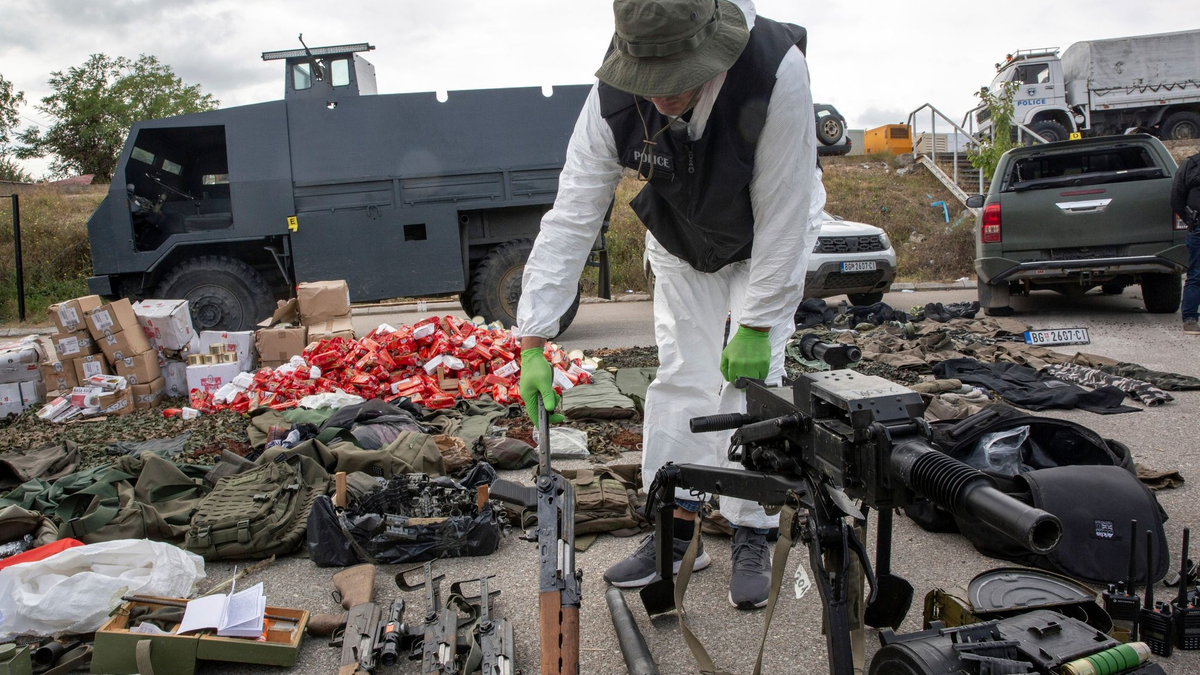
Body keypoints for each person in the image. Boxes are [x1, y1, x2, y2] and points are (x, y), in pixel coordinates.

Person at [516, 0, 824, 610]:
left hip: (766, 235)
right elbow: (573, 214)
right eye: (648, 80)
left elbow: (784, 212)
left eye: (677, 78)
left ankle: (752, 529)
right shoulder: (609, 101)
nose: (661, 95)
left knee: (752, 383)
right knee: (683, 373)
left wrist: (757, 323)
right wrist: (533, 337)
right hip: (682, 234)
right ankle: (677, 529)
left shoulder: (776, 70)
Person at [1171, 150, 1200, 335]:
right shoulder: (1191, 165)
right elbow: (1176, 197)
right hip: (1198, 227)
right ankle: (1190, 319)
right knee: (1197, 274)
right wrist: (1191, 221)